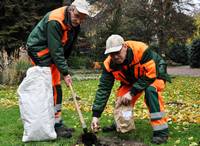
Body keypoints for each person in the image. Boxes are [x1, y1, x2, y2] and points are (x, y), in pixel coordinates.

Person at [26, 0, 91, 138]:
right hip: (39, 50)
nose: (79, 20)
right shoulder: (55, 21)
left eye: (82, 18)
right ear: (71, 9)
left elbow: (67, 48)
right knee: (51, 88)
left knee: (56, 87)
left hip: (51, 52)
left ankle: (57, 122)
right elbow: (56, 50)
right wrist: (65, 72)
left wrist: (64, 67)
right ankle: (52, 125)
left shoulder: (74, 25)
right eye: (77, 15)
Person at [91, 34, 171, 144]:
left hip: (154, 74)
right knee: (122, 99)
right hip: (132, 80)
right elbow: (103, 89)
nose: (115, 57)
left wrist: (132, 92)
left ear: (124, 47)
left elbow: (151, 75)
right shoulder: (109, 64)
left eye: (117, 52)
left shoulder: (141, 50)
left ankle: (161, 132)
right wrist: (96, 115)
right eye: (111, 54)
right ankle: (121, 124)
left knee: (150, 91)